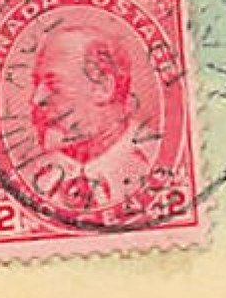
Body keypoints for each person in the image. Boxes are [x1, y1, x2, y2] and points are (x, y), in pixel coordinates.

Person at [26, 21, 156, 210]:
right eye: (37, 83)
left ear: (103, 87)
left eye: (53, 84)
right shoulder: (33, 177)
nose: (36, 99)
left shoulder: (154, 163)